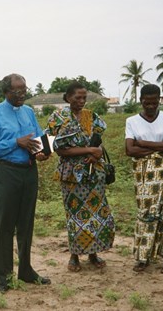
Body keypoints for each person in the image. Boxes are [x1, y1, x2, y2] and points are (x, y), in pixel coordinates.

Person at [0, 73, 51, 293]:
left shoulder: (29, 112)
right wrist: (15, 142)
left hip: (30, 171)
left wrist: (43, 151)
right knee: (4, 226)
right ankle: (4, 276)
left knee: (26, 224)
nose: (22, 95)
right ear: (6, 92)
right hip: (7, 172)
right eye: (17, 91)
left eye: (24, 90)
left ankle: (26, 271)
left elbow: (38, 139)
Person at [45, 82, 115, 272]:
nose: (82, 101)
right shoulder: (57, 118)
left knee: (95, 215)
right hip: (71, 175)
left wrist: (96, 152)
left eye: (84, 97)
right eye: (78, 97)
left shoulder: (91, 116)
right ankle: (74, 255)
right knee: (75, 216)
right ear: (68, 98)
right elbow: (57, 148)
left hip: (94, 174)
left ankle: (93, 253)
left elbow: (99, 140)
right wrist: (88, 150)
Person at [125, 83, 163, 274]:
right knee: (145, 213)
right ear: (141, 101)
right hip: (143, 176)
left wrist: (144, 144)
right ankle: (143, 257)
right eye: (147, 102)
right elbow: (130, 150)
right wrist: (162, 146)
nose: (151, 106)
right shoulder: (132, 121)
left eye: (154, 102)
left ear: (159, 100)